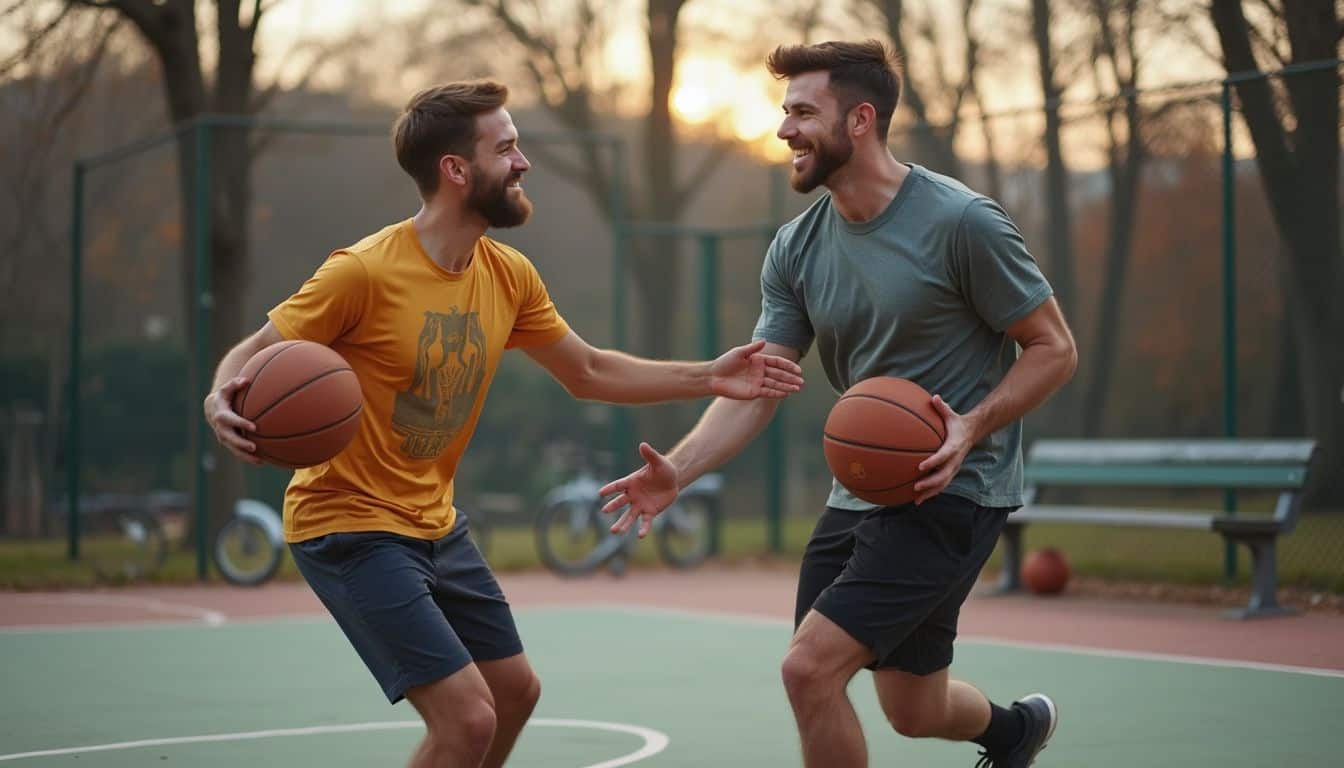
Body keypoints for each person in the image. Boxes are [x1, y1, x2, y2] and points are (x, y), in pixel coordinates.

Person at [202, 80, 805, 768]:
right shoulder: (363, 272)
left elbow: (590, 371)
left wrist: (708, 375)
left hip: (434, 524)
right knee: (466, 721)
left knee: (515, 695)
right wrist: (219, 395)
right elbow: (251, 354)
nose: (523, 163)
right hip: (349, 527)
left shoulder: (507, 274)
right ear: (456, 171)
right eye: (508, 148)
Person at [598, 41, 1078, 768]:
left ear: (860, 120)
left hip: (951, 490)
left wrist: (974, 424)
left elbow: (1054, 347)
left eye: (801, 112)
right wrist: (680, 470)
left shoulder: (962, 224)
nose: (785, 129)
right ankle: (1013, 734)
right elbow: (760, 384)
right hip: (860, 491)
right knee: (913, 709)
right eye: (784, 112)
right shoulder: (796, 248)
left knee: (807, 669)